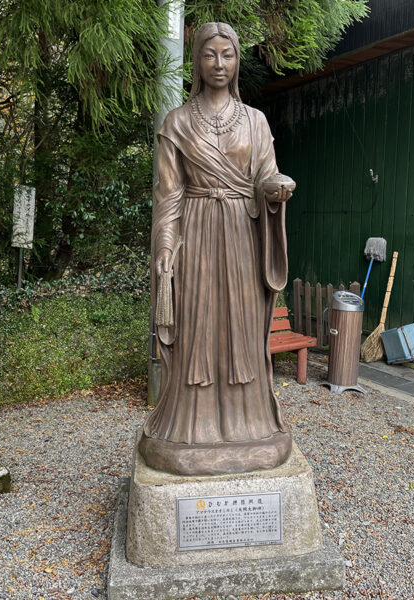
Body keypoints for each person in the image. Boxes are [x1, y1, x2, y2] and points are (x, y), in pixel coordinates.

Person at [139, 22, 294, 476]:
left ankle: (251, 423)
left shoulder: (255, 121)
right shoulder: (178, 122)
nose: (219, 64)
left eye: (228, 55)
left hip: (243, 240)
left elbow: (266, 173)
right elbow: (168, 196)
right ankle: (190, 425)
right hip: (197, 235)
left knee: (243, 328)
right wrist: (165, 246)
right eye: (210, 55)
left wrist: (276, 188)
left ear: (238, 60)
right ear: (197, 62)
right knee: (197, 327)